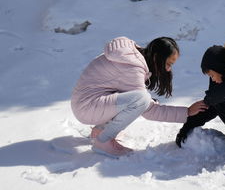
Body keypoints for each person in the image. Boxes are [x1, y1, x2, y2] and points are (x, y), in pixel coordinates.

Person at [71, 36, 207, 157]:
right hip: (86, 108)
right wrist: (187, 112)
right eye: (168, 64)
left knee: (138, 98)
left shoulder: (132, 57)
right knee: (141, 99)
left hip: (88, 103)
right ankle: (103, 140)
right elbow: (148, 109)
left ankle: (100, 130)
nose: (168, 69)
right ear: (156, 57)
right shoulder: (132, 68)